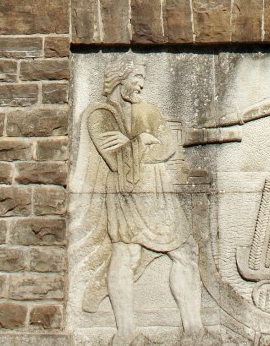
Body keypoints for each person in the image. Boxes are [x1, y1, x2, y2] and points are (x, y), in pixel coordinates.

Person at [82, 59, 208, 346]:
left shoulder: (149, 110)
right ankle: (126, 335)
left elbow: (167, 147)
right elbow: (114, 159)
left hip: (158, 192)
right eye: (137, 76)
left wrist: (137, 144)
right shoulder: (100, 115)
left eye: (143, 78)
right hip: (125, 193)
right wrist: (142, 139)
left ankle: (193, 331)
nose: (142, 83)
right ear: (120, 78)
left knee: (186, 251)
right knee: (126, 253)